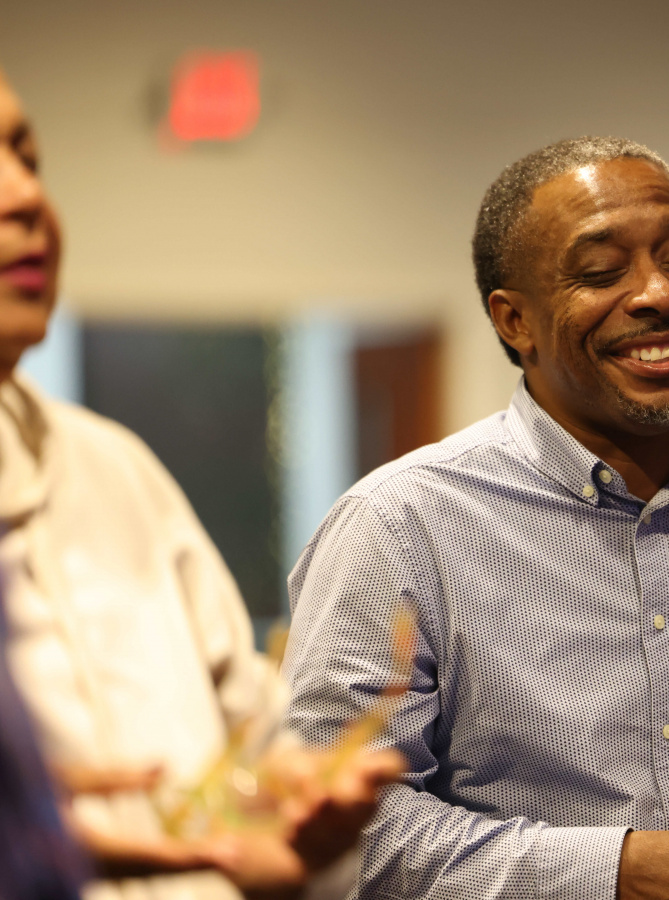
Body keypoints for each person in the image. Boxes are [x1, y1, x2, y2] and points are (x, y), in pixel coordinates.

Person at [282, 137, 669, 900]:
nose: (660, 293)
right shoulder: (398, 527)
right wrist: (609, 872)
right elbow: (340, 836)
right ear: (515, 321)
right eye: (601, 272)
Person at [0, 66, 402, 899]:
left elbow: (251, 747)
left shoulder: (112, 469)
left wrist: (292, 803)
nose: (26, 197)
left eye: (27, 157)